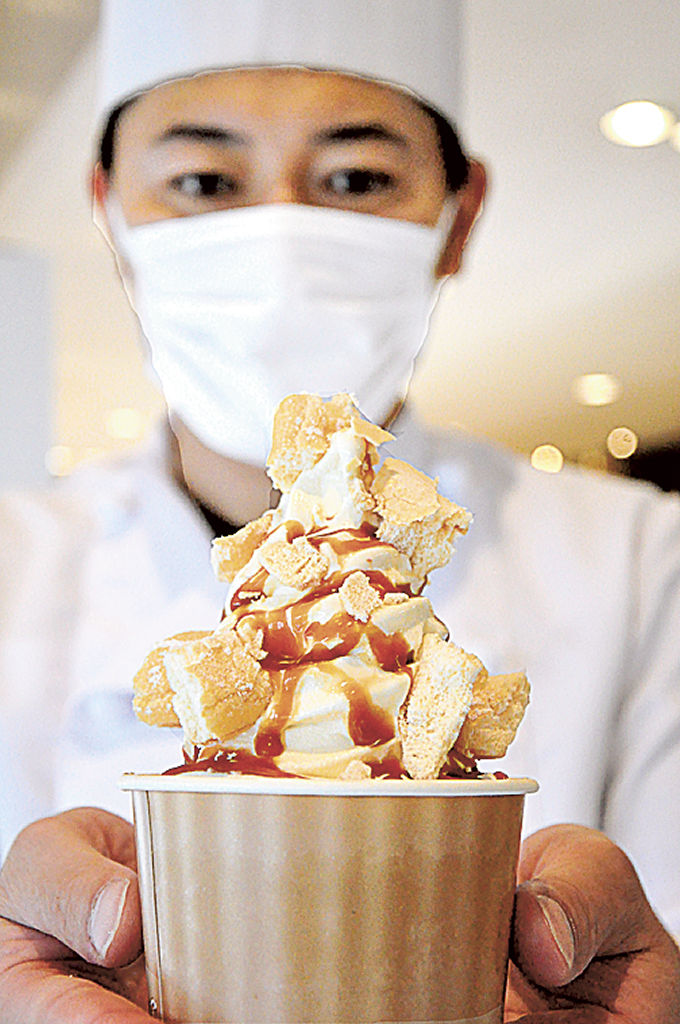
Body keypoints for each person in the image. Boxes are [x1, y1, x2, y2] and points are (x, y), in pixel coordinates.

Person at [0, 0, 679, 1019]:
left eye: (356, 178)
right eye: (203, 181)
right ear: (109, 210)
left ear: (459, 216)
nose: (278, 233)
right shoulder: (11, 562)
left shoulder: (638, 557)